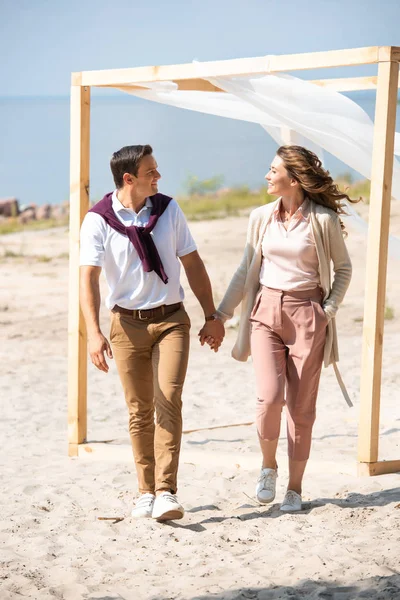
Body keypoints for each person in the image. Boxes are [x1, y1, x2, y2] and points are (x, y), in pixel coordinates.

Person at [79, 144, 224, 522]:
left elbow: (192, 263)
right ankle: (144, 492)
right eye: (151, 172)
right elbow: (88, 280)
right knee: (139, 410)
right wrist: (93, 333)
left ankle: (166, 492)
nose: (158, 177)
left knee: (168, 398)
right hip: (126, 325)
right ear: (129, 179)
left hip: (172, 319)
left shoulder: (168, 210)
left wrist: (212, 314)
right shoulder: (98, 220)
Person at [209, 145, 355, 512]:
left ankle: (295, 488)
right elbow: (245, 270)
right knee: (270, 397)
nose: (266, 175)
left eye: (272, 170)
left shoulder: (321, 220)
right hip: (265, 311)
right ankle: (268, 466)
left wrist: (328, 310)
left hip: (308, 313)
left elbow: (344, 269)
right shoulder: (261, 217)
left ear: (293, 178)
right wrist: (221, 315)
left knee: (301, 409)